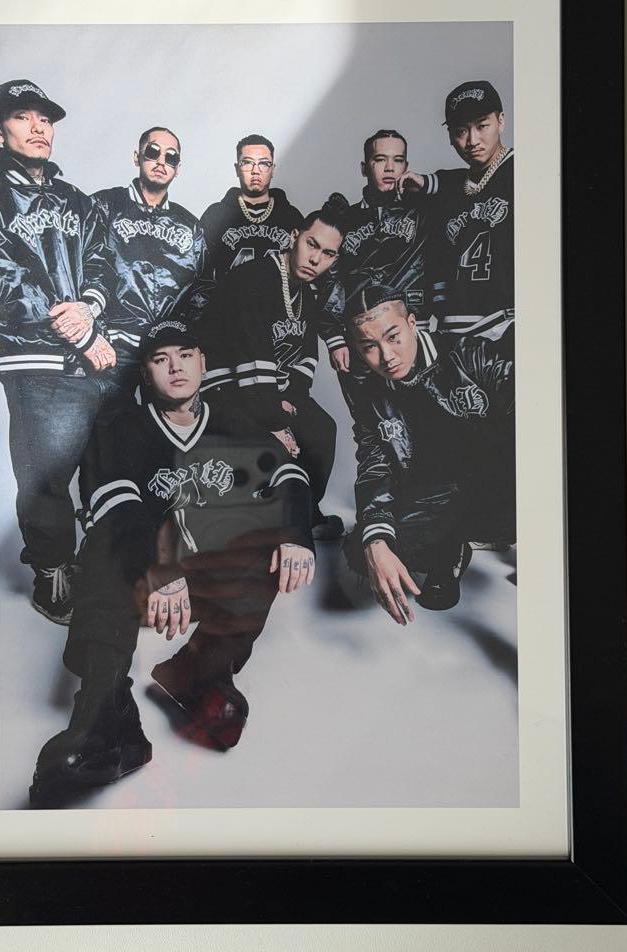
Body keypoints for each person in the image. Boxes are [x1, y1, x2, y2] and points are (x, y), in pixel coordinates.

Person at [30, 321, 315, 805]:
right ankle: (105, 718)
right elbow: (116, 511)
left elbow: (288, 474)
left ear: (203, 362)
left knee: (267, 536)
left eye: (185, 354)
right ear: (146, 373)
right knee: (102, 546)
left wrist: (294, 532)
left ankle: (203, 672)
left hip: (205, 584)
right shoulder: (121, 424)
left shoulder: (231, 419)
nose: (176, 367)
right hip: (141, 586)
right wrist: (160, 570)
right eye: (161, 359)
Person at [0, 78, 118, 625]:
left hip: (91, 355)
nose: (39, 127)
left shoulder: (76, 200)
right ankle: (52, 573)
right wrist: (78, 331)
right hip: (34, 357)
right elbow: (0, 277)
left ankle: (101, 559)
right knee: (44, 475)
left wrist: (89, 308)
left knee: (103, 460)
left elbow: (104, 263)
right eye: (23, 116)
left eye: (45, 118)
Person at [342, 286, 515, 624]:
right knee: (362, 549)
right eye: (370, 347)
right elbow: (376, 469)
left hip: (502, 485)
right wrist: (376, 541)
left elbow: (532, 413)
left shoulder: (469, 355)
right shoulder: (369, 398)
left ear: (412, 323)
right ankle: (447, 555)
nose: (387, 356)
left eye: (393, 337)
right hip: (438, 498)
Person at [198, 194, 348, 539]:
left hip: (269, 391)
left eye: (328, 254)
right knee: (275, 440)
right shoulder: (252, 278)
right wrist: (277, 421)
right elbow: (249, 353)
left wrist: (292, 398)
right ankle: (270, 521)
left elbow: (307, 353)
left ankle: (305, 511)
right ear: (294, 237)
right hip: (226, 390)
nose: (315, 259)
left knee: (322, 429)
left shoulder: (307, 290)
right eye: (312, 244)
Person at [90, 127, 213, 404]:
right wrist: (96, 331)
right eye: (153, 152)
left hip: (164, 349)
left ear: (178, 169)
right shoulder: (104, 205)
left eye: (171, 157)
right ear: (137, 156)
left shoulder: (189, 224)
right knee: (113, 423)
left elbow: (204, 287)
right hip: (114, 345)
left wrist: (182, 335)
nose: (161, 162)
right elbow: (85, 267)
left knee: (163, 426)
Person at [318, 129, 448, 374]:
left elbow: (441, 266)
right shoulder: (346, 219)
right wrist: (334, 337)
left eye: (398, 160)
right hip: (361, 339)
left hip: (410, 334)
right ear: (364, 168)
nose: (389, 168)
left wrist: (442, 325)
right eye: (380, 159)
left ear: (406, 167)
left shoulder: (425, 213)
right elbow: (331, 280)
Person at [400, 81, 515, 340]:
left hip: (502, 328)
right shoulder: (449, 191)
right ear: (450, 137)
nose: (472, 140)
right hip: (451, 333)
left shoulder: (521, 173)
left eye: (482, 126)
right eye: (461, 131)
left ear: (501, 121)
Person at [199, 133, 305, 280]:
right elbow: (200, 274)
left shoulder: (291, 216)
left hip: (279, 295)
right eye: (247, 162)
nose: (255, 170)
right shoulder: (216, 214)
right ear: (237, 169)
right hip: (228, 294)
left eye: (264, 163)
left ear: (272, 170)